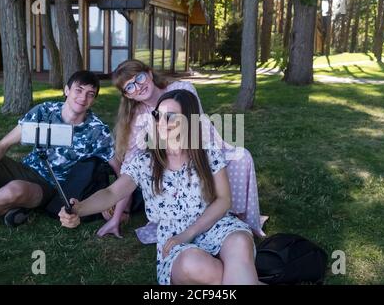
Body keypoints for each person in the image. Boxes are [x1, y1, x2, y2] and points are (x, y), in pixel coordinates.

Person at [59, 90, 260, 285]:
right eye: (158, 115)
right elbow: (112, 192)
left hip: (213, 223)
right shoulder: (145, 161)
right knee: (195, 265)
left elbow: (224, 200)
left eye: (171, 117)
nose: (161, 124)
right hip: (173, 235)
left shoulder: (207, 153)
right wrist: (80, 208)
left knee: (240, 243)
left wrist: (190, 232)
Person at [98, 59, 265, 241]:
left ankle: (237, 218)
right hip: (176, 162)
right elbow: (131, 164)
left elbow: (198, 126)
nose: (138, 87)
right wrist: (116, 218)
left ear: (150, 74)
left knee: (242, 158)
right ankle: (203, 215)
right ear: (127, 95)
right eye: (129, 87)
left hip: (205, 145)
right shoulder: (139, 114)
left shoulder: (182, 89)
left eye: (139, 78)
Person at [0, 71, 116, 227]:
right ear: (66, 90)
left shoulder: (97, 130)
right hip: (25, 169)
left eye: (90, 94)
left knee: (13, 190)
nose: (83, 98)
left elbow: (120, 168)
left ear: (94, 99)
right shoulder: (44, 111)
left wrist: (115, 204)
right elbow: (3, 145)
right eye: (78, 90)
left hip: (49, 186)